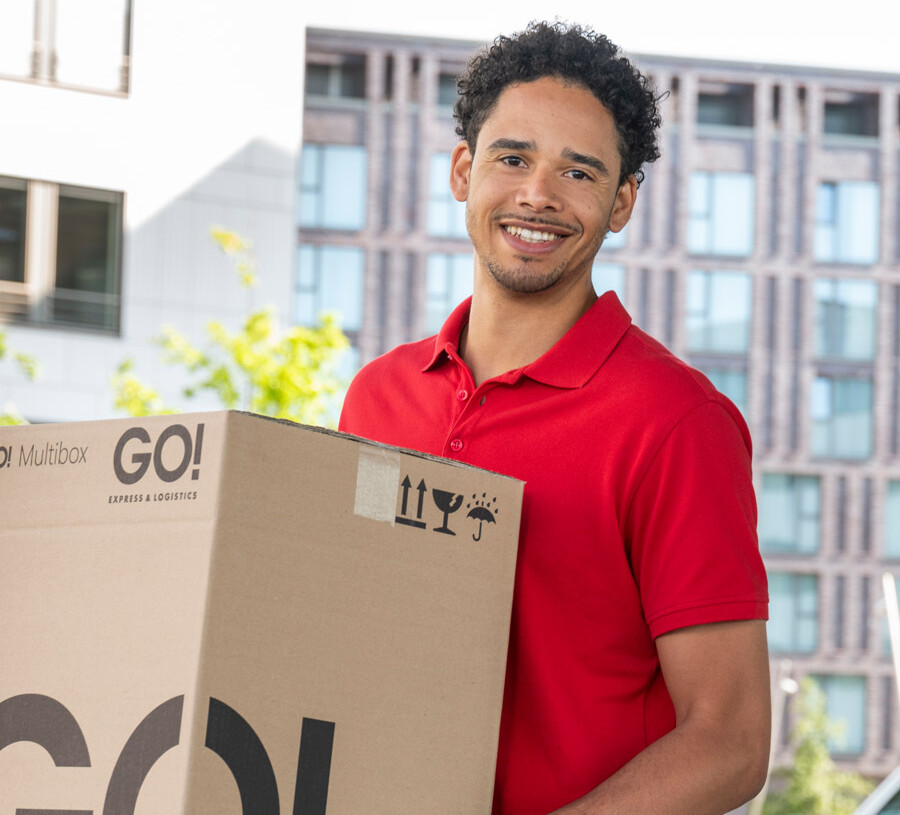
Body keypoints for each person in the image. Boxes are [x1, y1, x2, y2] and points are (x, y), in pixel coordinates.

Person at [339, 20, 771, 815]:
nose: (538, 194)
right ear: (464, 170)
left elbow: (732, 740)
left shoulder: (678, 422)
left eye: (579, 172)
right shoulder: (378, 394)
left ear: (622, 202)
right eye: (513, 158)